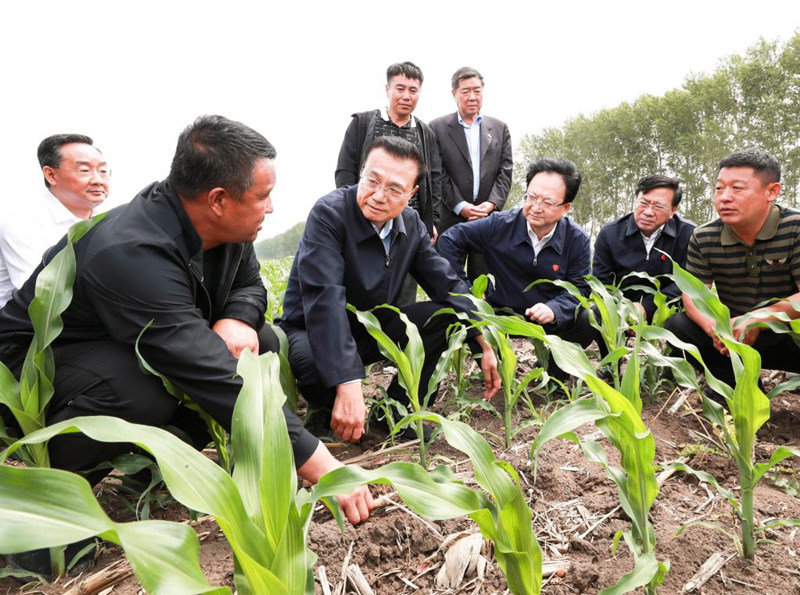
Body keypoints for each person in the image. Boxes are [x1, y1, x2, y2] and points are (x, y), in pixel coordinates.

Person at [0, 116, 373, 530]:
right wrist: (323, 465)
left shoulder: (227, 230)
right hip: (36, 367)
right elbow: (205, 372)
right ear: (218, 200)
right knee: (142, 391)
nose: (271, 207)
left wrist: (236, 317)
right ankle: (51, 503)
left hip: (118, 342)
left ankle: (148, 471)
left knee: (260, 343)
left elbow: (249, 285)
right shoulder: (131, 251)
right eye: (263, 196)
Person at [279, 136, 500, 443]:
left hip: (370, 326)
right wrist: (348, 381)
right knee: (314, 365)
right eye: (372, 181)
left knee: (447, 318)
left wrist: (483, 339)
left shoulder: (410, 224)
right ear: (362, 173)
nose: (378, 196)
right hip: (311, 329)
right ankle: (323, 408)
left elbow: (446, 284)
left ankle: (395, 411)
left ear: (412, 193)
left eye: (394, 189)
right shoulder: (330, 214)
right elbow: (324, 301)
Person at [438, 158, 594, 382]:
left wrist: (555, 308)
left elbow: (580, 288)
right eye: (531, 197)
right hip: (497, 313)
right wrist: (466, 290)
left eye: (548, 202)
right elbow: (450, 240)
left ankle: (554, 376)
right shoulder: (499, 224)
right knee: (461, 312)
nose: (536, 207)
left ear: (566, 208)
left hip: (544, 317)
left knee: (586, 319)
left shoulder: (576, 239)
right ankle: (497, 371)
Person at [665, 148, 800, 393]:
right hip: (733, 335)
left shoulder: (795, 228)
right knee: (678, 325)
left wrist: (757, 320)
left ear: (772, 191)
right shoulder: (704, 236)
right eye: (719, 188)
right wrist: (714, 327)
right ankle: (734, 383)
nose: (724, 197)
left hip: (787, 333)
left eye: (737, 188)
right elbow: (693, 295)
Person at [334, 61, 443, 305]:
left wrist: (432, 221)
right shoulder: (362, 123)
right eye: (400, 88)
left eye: (413, 90)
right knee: (360, 283)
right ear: (387, 89)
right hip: (365, 218)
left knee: (403, 290)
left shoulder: (426, 133)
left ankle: (398, 338)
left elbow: (434, 179)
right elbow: (344, 171)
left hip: (405, 225)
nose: (406, 96)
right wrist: (351, 213)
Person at [0, 134, 109, 307]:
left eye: (103, 171)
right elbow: (43, 298)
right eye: (84, 171)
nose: (98, 180)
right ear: (51, 175)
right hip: (28, 327)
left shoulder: (110, 218)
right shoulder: (22, 224)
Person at [429, 67, 513, 280]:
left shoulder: (500, 128)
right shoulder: (437, 128)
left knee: (484, 282)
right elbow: (437, 174)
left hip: (488, 219)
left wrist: (492, 204)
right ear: (454, 93)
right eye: (466, 91)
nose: (472, 97)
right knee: (446, 281)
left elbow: (505, 171)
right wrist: (461, 206)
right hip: (449, 218)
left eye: (477, 90)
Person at [593, 175, 695, 322]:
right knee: (596, 313)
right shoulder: (610, 233)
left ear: (673, 210)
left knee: (683, 321)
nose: (648, 212)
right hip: (621, 308)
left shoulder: (689, 234)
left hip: (666, 307)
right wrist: (625, 309)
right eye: (643, 203)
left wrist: (646, 307)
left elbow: (688, 284)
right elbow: (602, 282)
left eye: (658, 206)